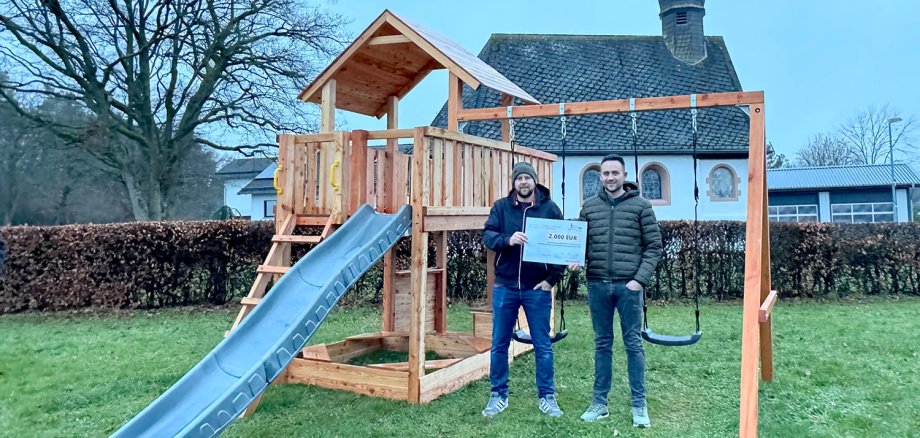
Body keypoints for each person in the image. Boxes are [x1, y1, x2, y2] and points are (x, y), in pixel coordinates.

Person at [572, 154, 662, 428]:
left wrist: (639, 280)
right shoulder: (588, 208)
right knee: (602, 344)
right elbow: (581, 244)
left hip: (628, 287)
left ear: (624, 175)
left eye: (615, 173)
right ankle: (600, 403)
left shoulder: (641, 207)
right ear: (600, 177)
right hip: (598, 284)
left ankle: (639, 405)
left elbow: (654, 247)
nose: (610, 177)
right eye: (605, 173)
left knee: (633, 345)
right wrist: (576, 259)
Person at [481, 161, 566, 418]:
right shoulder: (501, 207)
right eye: (519, 179)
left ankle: (547, 396)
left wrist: (552, 279)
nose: (524, 183)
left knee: (543, 344)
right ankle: (498, 394)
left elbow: (561, 246)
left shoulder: (550, 209)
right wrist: (508, 240)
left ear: (534, 181)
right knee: (499, 344)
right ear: (514, 182)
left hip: (536, 288)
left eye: (528, 178)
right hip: (506, 286)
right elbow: (488, 236)